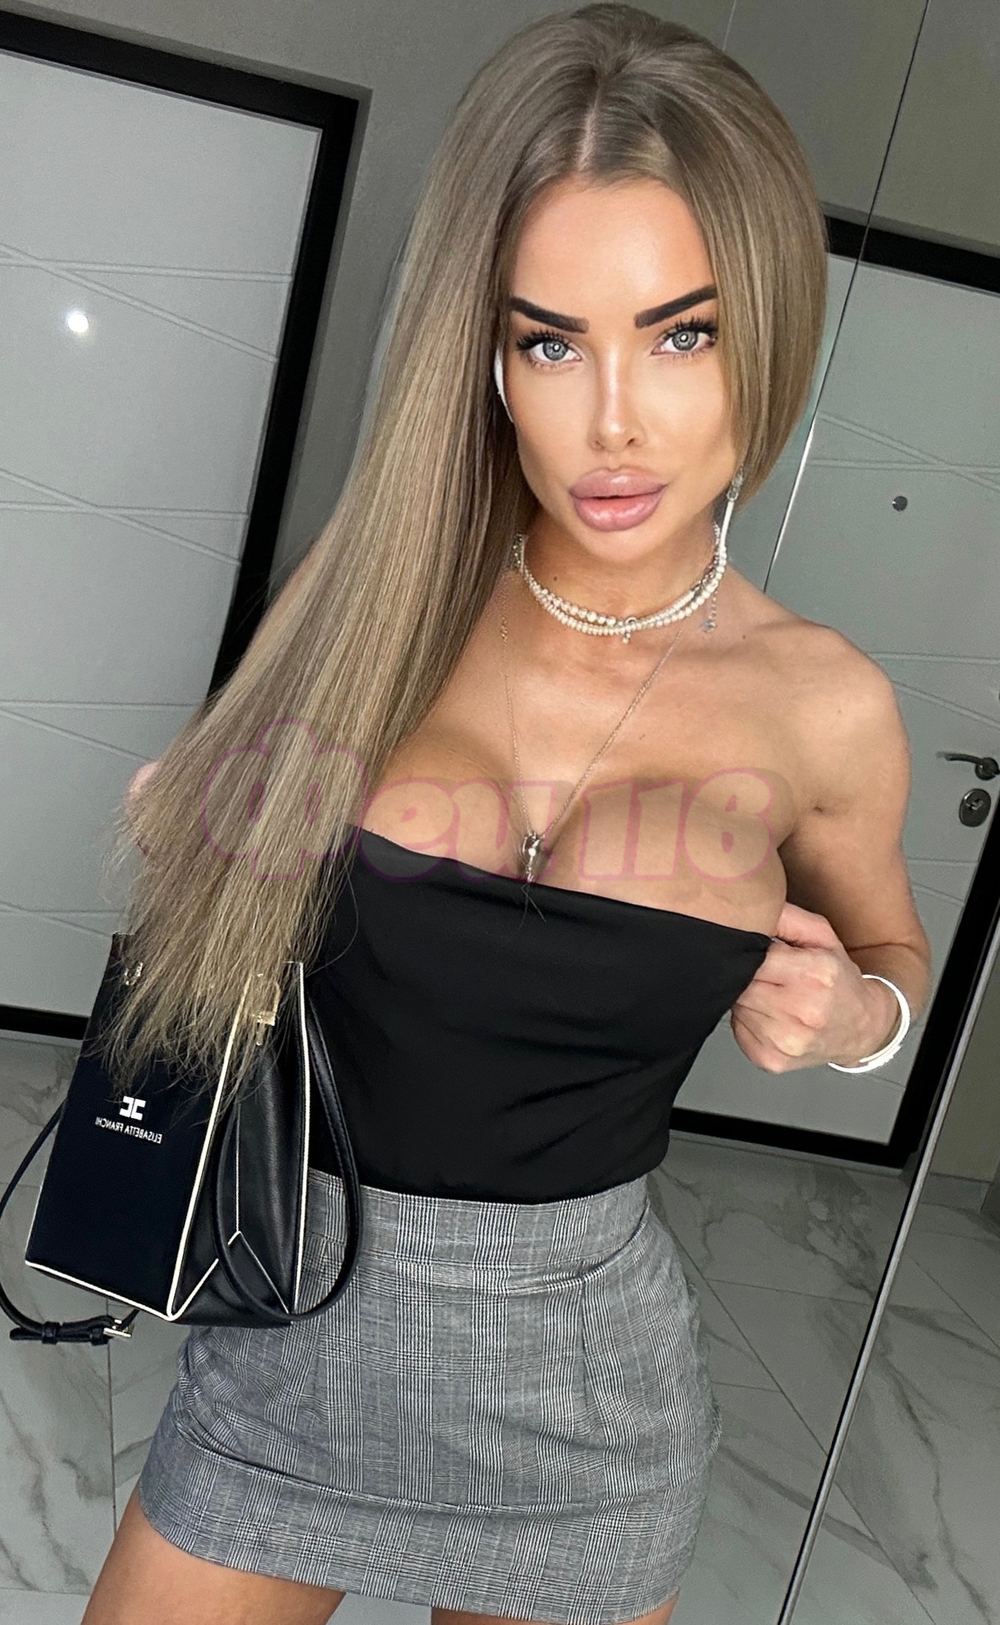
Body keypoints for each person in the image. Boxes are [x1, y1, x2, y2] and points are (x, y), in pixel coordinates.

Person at [82, 5, 931, 1622]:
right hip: (282, 1339)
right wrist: (188, 833)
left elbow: (892, 956)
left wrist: (854, 1020)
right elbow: (205, 889)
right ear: (483, 356)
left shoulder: (826, 704)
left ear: (771, 327)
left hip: (583, 1412)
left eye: (681, 335)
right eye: (551, 342)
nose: (614, 420)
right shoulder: (371, 604)